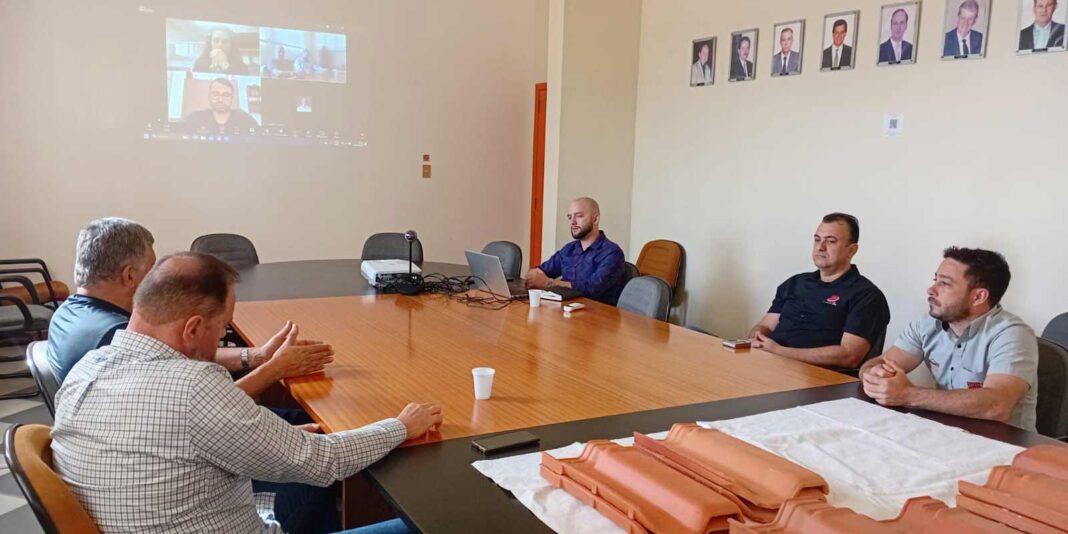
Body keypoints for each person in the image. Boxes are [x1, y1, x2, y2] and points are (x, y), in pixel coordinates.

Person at [52, 252, 443, 533]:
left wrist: (271, 441)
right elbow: (326, 462)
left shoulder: (87, 368)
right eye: (222, 327)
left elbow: (169, 445)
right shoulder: (194, 386)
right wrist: (402, 425)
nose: (222, 337)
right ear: (192, 329)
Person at [46, 217, 329, 397]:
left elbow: (182, 358)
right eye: (152, 269)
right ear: (130, 276)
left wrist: (256, 356)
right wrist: (273, 370)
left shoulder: (68, 313)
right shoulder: (118, 338)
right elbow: (198, 412)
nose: (157, 278)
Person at [860, 248, 1038, 431]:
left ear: (978, 297)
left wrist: (908, 395)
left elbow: (998, 405)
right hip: (946, 431)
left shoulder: (1013, 334)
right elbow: (880, 363)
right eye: (935, 280)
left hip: (1004, 441)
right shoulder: (926, 323)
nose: (931, 290)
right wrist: (874, 375)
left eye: (944, 283)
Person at [749, 213, 890, 371]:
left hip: (818, 377)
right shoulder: (795, 283)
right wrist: (758, 337)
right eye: (817, 240)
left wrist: (779, 351)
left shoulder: (866, 295)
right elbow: (765, 326)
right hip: (771, 366)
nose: (820, 247)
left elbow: (849, 356)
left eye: (830, 241)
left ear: (851, 250)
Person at [525, 197, 627, 306]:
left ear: (595, 219)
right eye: (570, 217)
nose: (573, 222)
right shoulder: (569, 249)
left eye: (579, 216)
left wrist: (549, 283)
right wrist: (533, 276)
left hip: (596, 313)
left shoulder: (612, 253)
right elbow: (541, 270)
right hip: (566, 309)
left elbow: (591, 289)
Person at [185, 78, 260, 131]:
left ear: (232, 98)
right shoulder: (195, 118)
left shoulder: (246, 120)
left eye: (226, 95)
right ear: (209, 96)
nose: (220, 100)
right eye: (215, 94)